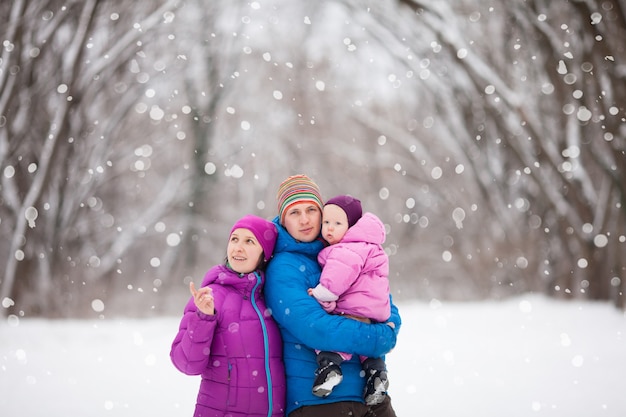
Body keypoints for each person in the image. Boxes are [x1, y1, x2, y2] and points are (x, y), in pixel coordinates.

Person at [264, 174, 401, 417]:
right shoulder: (284, 267)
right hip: (320, 403)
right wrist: (381, 336)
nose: (305, 219)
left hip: (372, 397)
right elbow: (316, 329)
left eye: (311, 210)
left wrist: (388, 327)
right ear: (283, 220)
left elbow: (383, 302)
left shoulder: (346, 250)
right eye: (294, 213)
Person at [170, 214, 285, 417]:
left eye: (249, 241)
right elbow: (185, 363)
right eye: (234, 239)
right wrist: (203, 319)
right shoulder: (210, 297)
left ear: (265, 254)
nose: (238, 247)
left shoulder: (272, 299)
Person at [307, 195, 392, 405]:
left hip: (353, 309)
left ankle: (330, 368)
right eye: (326, 222)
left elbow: (337, 277)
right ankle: (376, 373)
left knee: (333, 339)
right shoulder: (370, 245)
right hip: (374, 312)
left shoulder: (347, 249)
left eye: (337, 223)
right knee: (367, 349)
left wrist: (322, 293)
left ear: (352, 226)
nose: (329, 228)